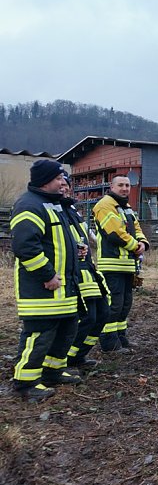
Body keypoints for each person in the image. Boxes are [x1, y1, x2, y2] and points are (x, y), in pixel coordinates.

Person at [10, 159, 83, 402]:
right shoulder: (29, 206)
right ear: (44, 181)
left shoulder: (54, 204)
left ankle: (52, 371)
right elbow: (24, 247)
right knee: (39, 335)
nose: (63, 182)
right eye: (58, 178)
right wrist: (48, 275)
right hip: (42, 289)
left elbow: (59, 241)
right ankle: (25, 382)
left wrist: (77, 249)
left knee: (65, 330)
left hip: (64, 289)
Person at [60, 173, 111, 369]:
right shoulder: (53, 211)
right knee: (87, 317)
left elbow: (88, 236)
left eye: (66, 184)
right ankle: (65, 358)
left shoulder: (73, 210)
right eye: (61, 184)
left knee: (102, 314)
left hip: (88, 270)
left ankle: (78, 355)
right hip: (73, 272)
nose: (64, 188)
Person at [93, 174, 149, 352]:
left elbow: (136, 228)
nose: (125, 188)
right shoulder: (104, 206)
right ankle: (109, 342)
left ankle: (120, 337)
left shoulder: (125, 207)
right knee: (114, 304)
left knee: (125, 304)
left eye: (127, 185)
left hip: (126, 265)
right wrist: (135, 246)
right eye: (121, 185)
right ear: (112, 187)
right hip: (111, 264)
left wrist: (142, 243)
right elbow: (115, 233)